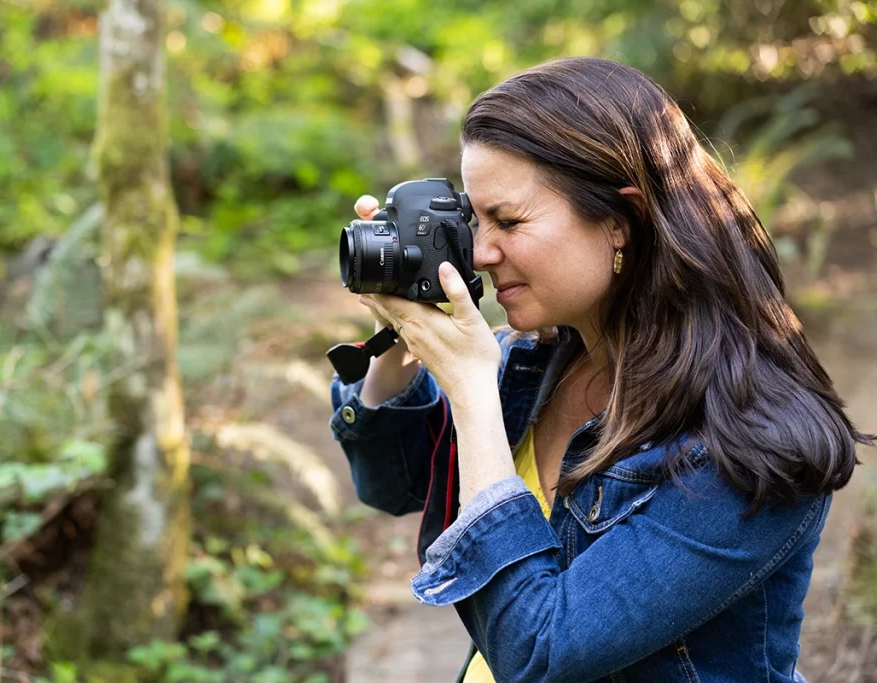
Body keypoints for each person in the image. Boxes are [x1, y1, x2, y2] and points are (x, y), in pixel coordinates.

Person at [328, 57, 871, 682]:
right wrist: (399, 340)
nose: (480, 251)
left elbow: (539, 653)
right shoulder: (532, 365)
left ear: (621, 221)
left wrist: (471, 390)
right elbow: (393, 485)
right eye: (474, 219)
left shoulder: (746, 449)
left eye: (508, 220)